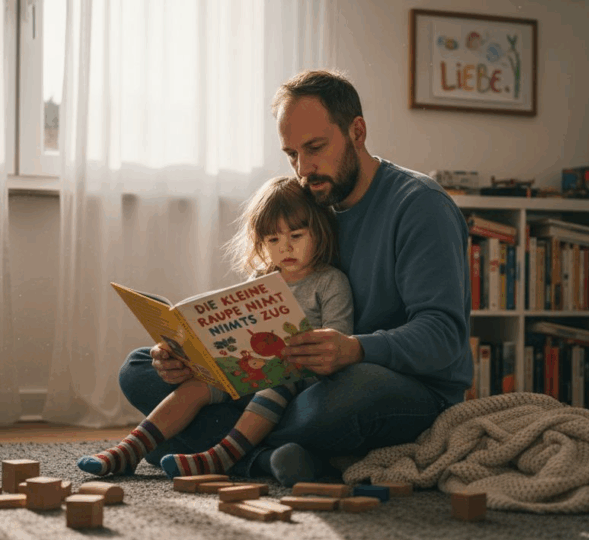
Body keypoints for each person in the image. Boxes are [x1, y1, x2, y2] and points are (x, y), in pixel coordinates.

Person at [117, 69, 473, 486]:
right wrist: (194, 359)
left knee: (346, 397)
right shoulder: (312, 203)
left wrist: (355, 349)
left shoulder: (420, 206)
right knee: (139, 369)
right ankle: (272, 459)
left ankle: (194, 443)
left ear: (357, 131)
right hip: (297, 379)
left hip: (393, 386)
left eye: (316, 147)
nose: (304, 168)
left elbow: (443, 335)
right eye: (291, 154)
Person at [77, 176, 354, 479]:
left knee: (275, 384)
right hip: (247, 373)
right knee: (188, 382)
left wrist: (301, 351)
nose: (285, 247)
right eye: (273, 240)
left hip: (296, 382)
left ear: (320, 232)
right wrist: (191, 354)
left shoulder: (329, 282)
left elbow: (337, 343)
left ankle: (220, 457)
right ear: (260, 242)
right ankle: (130, 450)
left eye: (297, 236)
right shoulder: (260, 281)